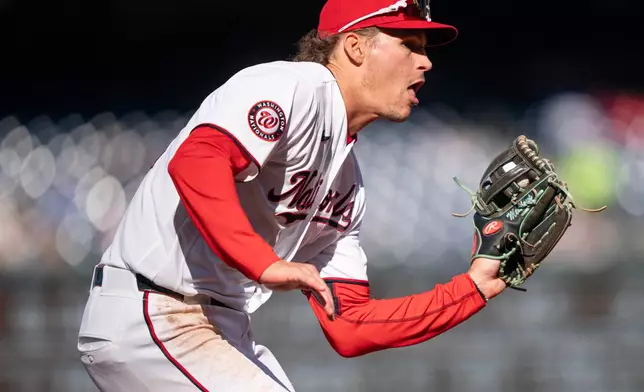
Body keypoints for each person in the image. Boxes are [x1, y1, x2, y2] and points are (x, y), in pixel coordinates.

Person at [77, 0, 507, 390]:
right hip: (153, 312)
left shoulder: (348, 185)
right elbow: (197, 160)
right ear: (355, 47)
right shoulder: (295, 86)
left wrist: (472, 288)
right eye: (409, 44)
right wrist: (264, 263)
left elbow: (350, 325)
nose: (426, 62)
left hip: (216, 327)